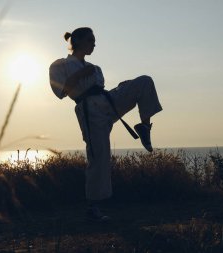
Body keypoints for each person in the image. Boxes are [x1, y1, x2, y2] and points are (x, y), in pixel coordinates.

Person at [49, 27, 162, 221]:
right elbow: (61, 92)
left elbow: (99, 88)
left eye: (94, 40)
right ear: (78, 42)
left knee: (144, 82)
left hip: (107, 101)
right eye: (91, 40)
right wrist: (81, 73)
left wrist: (123, 88)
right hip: (89, 110)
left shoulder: (97, 68)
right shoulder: (60, 65)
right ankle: (93, 207)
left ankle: (144, 126)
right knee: (99, 156)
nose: (94, 44)